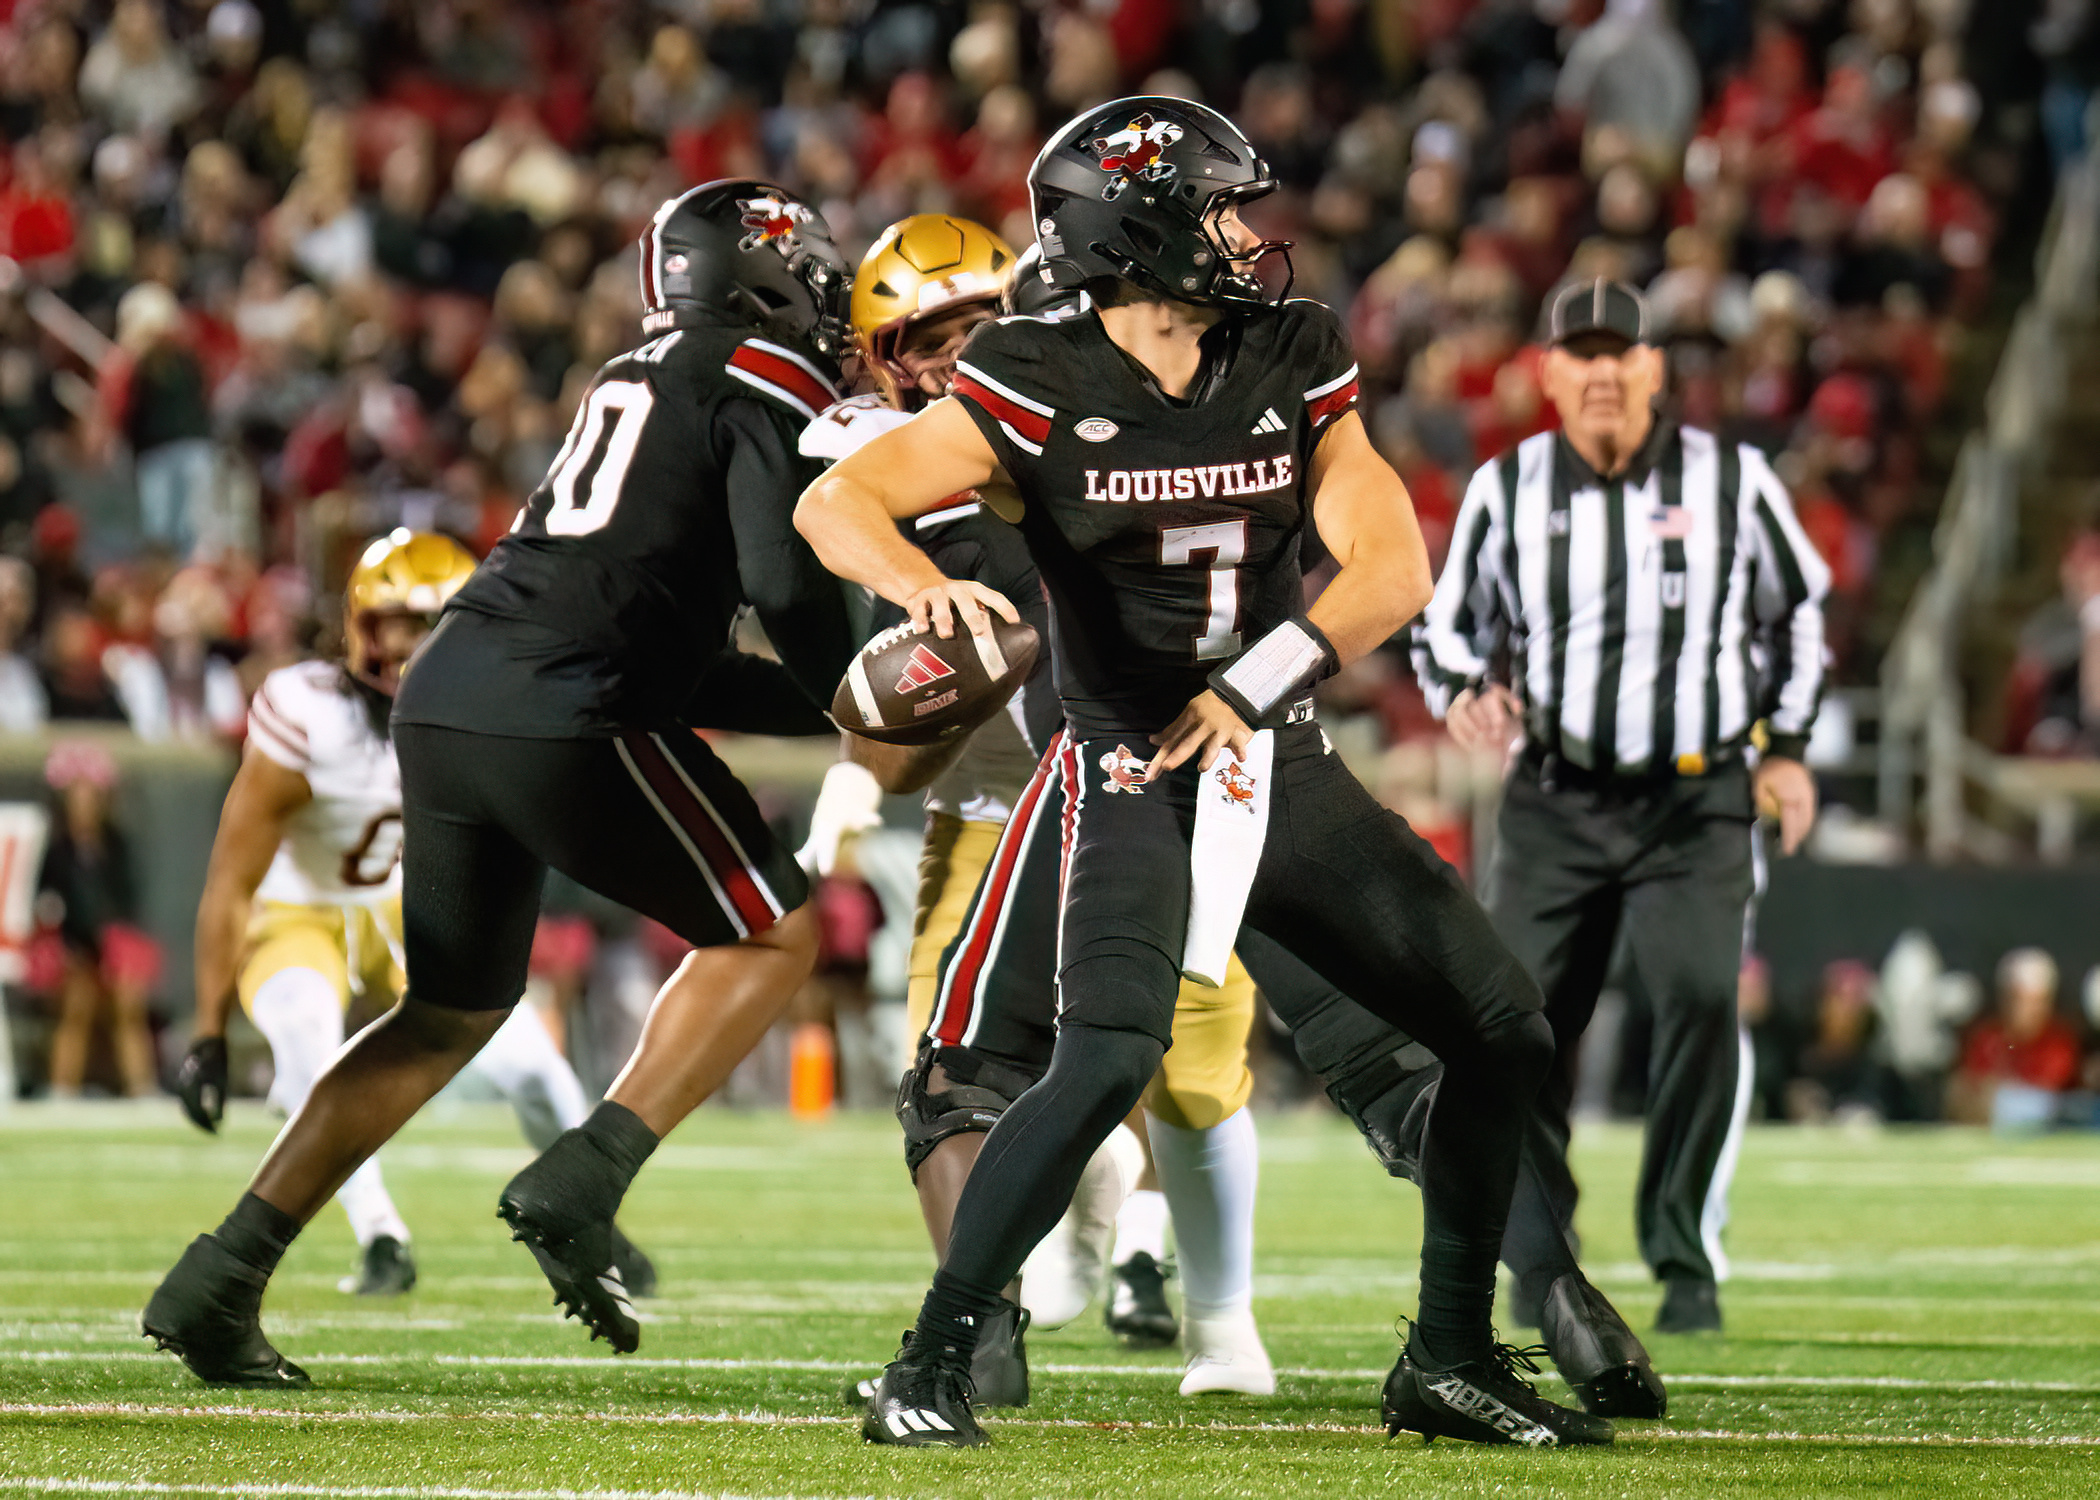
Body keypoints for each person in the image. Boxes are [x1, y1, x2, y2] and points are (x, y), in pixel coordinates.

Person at [798, 97, 1605, 1448]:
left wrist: (1252, 686)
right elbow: (839, 501)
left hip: (1271, 751)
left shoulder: (1290, 348)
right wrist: (920, 583)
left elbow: (1392, 565)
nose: (1243, 235)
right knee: (1107, 1060)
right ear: (1142, 231)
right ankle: (929, 1367)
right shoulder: (1034, 371)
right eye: (1219, 209)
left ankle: (1451, 1355)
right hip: (1127, 767)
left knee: (1504, 1030)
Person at [140, 179, 859, 1387]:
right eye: (814, 271)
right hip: (564, 705)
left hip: (450, 693)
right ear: (761, 277)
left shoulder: (634, 375)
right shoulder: (763, 373)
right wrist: (860, 680)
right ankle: (588, 1175)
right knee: (776, 931)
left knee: (446, 1014)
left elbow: (674, 647)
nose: (828, 297)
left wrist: (827, 704)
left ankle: (220, 1277)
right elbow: (783, 588)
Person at [804, 220, 1277, 1403]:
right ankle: (984, 1328)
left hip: (1163, 773)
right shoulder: (884, 460)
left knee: (1191, 1063)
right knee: (949, 1075)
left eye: (980, 328)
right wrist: (918, 646)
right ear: (882, 360)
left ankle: (1214, 1314)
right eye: (930, 340)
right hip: (992, 807)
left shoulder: (1108, 407)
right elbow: (890, 720)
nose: (958, 356)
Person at [1413, 278, 1830, 1334]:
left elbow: (1798, 615)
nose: (1601, 372)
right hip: (1557, 797)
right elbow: (1444, 627)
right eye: (1581, 354)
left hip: (1697, 797)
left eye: (1619, 354)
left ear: (1652, 370)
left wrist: (1785, 751)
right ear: (1549, 374)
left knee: (1700, 998)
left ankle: (1685, 1253)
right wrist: (1462, 690)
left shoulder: (1732, 480)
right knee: (1517, 1024)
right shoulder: (1508, 488)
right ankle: (1543, 1250)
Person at [172, 530, 654, 1299]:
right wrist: (207, 1030)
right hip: (300, 912)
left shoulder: (489, 705)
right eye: (397, 622)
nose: (411, 644)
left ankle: (591, 1214)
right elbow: (231, 880)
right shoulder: (307, 712)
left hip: (406, 907)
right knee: (307, 1043)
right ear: (359, 624)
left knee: (531, 1064)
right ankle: (381, 1236)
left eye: (433, 623)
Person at [39, 738, 160, 1097]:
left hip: (113, 944)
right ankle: (62, 1087)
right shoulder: (57, 851)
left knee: (129, 1006)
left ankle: (142, 1086)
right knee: (76, 1007)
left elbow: (126, 900)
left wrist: (113, 941)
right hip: (74, 946)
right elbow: (49, 901)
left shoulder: (116, 846)